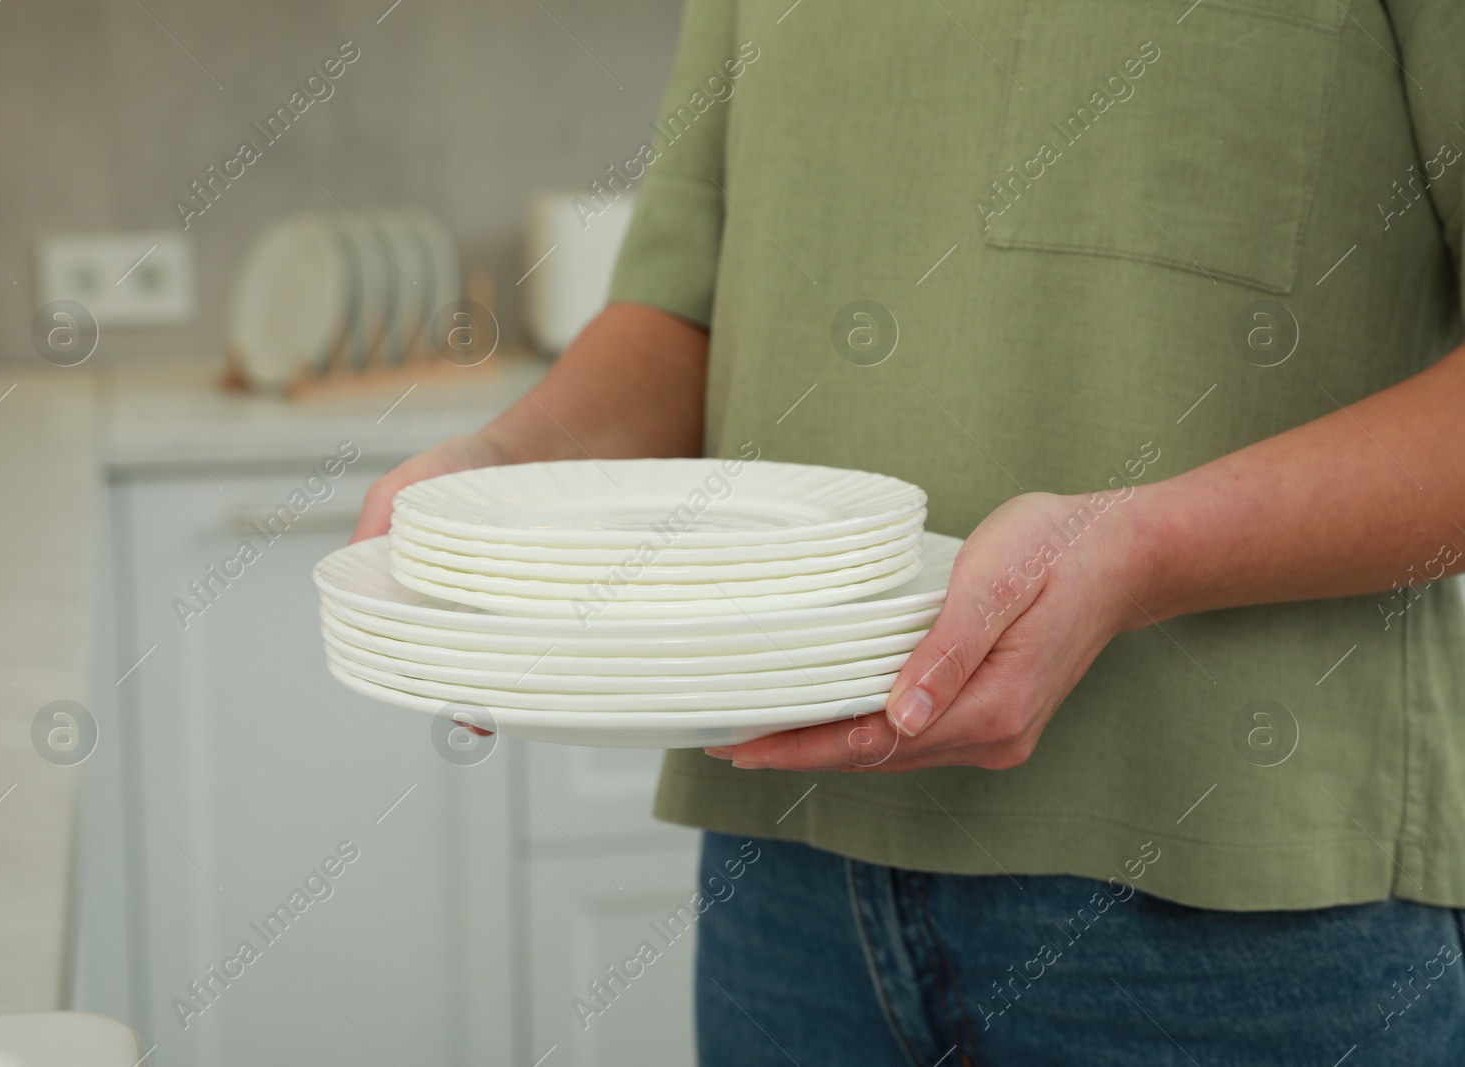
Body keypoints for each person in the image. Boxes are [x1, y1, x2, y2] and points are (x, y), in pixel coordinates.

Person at [353, 1, 1465, 1062]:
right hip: (785, 875)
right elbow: (685, 313)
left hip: (1237, 878)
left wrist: (1138, 551)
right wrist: (496, 474)